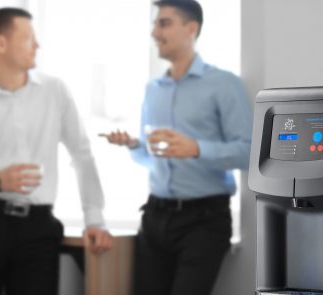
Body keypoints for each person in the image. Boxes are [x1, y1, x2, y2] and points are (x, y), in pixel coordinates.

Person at [0, 7, 113, 295]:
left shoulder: (55, 92)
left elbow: (82, 155)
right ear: (0, 43)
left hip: (38, 230)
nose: (37, 45)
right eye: (29, 38)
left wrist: (94, 219)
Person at [100, 0, 253, 294]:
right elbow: (151, 157)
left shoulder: (223, 84)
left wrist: (196, 148)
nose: (155, 32)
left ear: (191, 28)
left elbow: (248, 153)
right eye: (155, 24)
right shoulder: (153, 89)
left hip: (204, 222)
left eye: (164, 23)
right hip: (155, 218)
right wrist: (134, 144)